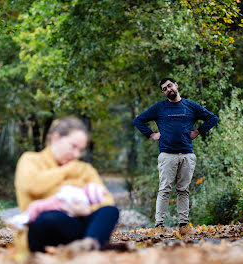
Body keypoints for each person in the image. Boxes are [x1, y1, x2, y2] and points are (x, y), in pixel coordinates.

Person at [14, 117, 119, 253]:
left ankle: (88, 249)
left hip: (76, 228)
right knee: (50, 217)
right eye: (73, 146)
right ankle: (85, 248)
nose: (76, 154)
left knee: (109, 211)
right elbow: (33, 186)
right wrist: (66, 171)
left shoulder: (84, 169)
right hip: (43, 228)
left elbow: (106, 199)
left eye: (80, 150)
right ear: (56, 138)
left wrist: (86, 209)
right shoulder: (30, 160)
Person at [133, 78, 218, 234]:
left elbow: (213, 118)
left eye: (170, 86)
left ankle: (183, 226)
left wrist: (198, 131)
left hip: (187, 154)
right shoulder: (159, 108)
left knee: (183, 190)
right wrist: (151, 134)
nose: (168, 89)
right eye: (165, 89)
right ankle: (159, 225)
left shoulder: (190, 106)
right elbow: (138, 120)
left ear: (176, 86)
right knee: (164, 190)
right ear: (164, 92)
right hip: (167, 155)